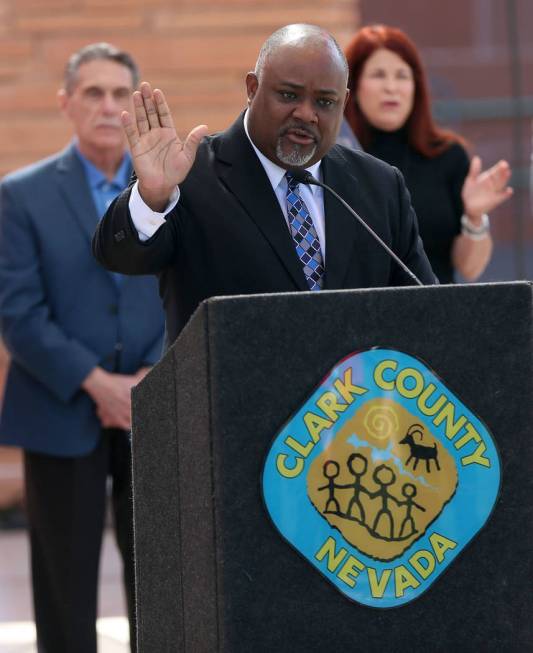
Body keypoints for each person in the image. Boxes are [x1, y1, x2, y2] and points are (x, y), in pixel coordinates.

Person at [93, 23, 436, 348]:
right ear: (252, 89)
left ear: (344, 104)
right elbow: (121, 257)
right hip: (229, 403)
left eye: (324, 102)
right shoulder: (189, 176)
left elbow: (427, 310)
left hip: (359, 406)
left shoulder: (379, 185)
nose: (306, 114)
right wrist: (153, 196)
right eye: (289, 95)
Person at [0, 43, 165, 653]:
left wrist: (153, 377)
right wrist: (97, 382)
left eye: (122, 94)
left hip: (157, 405)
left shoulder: (173, 189)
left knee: (162, 577)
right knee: (63, 586)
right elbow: (17, 312)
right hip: (59, 407)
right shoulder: (21, 195)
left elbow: (194, 290)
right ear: (66, 103)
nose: (108, 106)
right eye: (93, 93)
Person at [343, 24, 513, 284]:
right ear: (352, 87)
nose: (392, 87)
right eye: (378, 75)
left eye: (402, 75)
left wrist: (475, 217)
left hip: (436, 313)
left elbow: (470, 269)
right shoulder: (335, 158)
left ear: (416, 87)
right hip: (359, 313)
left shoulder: (447, 155)